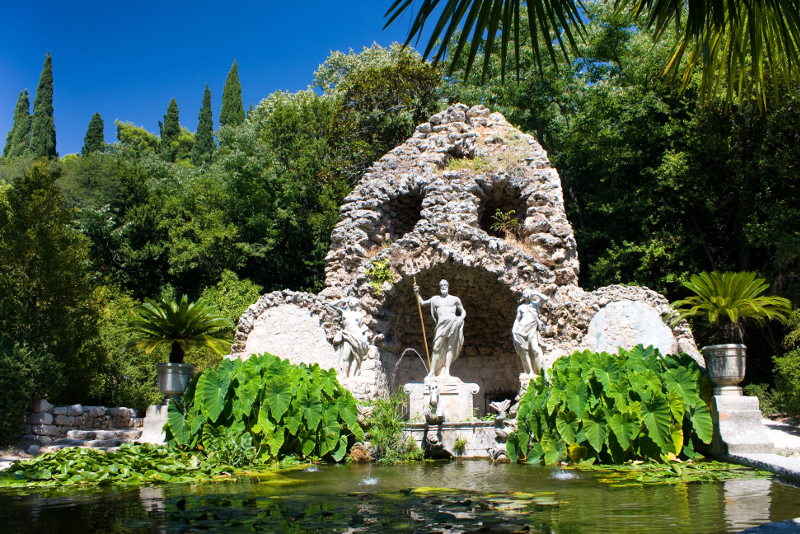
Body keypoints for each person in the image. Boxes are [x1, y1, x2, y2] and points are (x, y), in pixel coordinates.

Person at [414, 279, 465, 378]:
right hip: (441, 325)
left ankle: (447, 371)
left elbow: (463, 310)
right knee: (436, 347)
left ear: (448, 286)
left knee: (450, 347)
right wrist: (417, 293)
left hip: (453, 322)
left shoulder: (455, 299)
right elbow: (422, 303)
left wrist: (460, 318)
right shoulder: (435, 299)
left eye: (445, 285)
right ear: (439, 287)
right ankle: (432, 372)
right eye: (441, 285)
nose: (443, 287)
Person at [512, 288, 549, 377]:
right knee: (525, 353)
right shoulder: (521, 307)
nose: (526, 294)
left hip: (532, 330)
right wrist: (514, 330)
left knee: (535, 350)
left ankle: (540, 371)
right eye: (525, 293)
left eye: (528, 292)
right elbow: (517, 320)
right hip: (521, 331)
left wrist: (536, 293)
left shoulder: (536, 304)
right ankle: (530, 372)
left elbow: (546, 299)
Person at [332, 297, 369, 377]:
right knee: (346, 356)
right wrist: (342, 300)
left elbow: (362, 326)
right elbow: (331, 305)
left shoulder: (359, 315)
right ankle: (344, 374)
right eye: (350, 300)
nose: (352, 302)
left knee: (356, 355)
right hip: (346, 334)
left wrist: (365, 337)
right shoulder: (344, 312)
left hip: (357, 335)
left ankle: (352, 374)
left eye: (354, 300)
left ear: (357, 304)